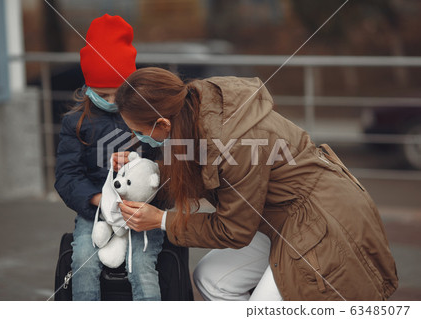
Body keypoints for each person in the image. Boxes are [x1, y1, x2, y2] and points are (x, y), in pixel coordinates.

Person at [116, 67, 399, 301]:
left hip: (321, 224)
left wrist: (163, 221)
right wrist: (139, 169)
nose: (139, 139)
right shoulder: (194, 107)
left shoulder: (235, 144)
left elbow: (233, 230)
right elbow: (192, 171)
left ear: (164, 124)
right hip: (278, 218)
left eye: (140, 132)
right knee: (212, 279)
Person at [54, 15, 164, 301]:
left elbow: (165, 163)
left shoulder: (145, 116)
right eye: (104, 94)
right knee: (82, 262)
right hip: (95, 213)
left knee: (142, 266)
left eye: (121, 94)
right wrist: (98, 202)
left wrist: (142, 154)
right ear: (89, 88)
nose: (113, 102)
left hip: (141, 212)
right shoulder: (75, 123)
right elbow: (67, 176)